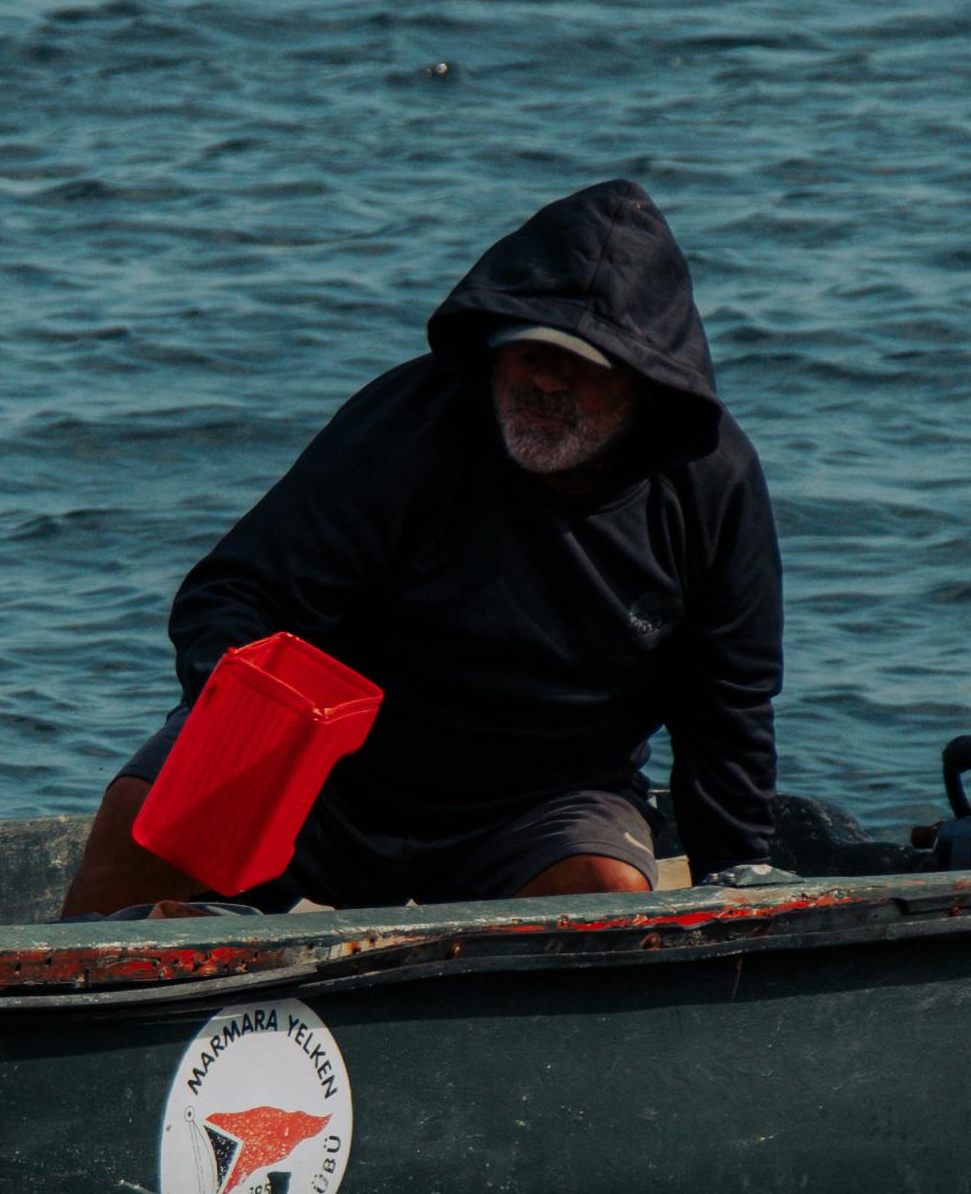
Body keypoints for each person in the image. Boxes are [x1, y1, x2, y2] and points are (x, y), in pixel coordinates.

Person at [64, 177, 783, 915]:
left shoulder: (711, 486)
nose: (544, 378)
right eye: (528, 349)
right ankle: (60, 1017)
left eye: (581, 362)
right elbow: (236, 594)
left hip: (545, 806)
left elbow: (727, 706)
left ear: (644, 384)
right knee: (147, 814)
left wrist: (738, 879)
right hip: (336, 780)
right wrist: (256, 724)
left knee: (605, 893)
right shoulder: (411, 427)